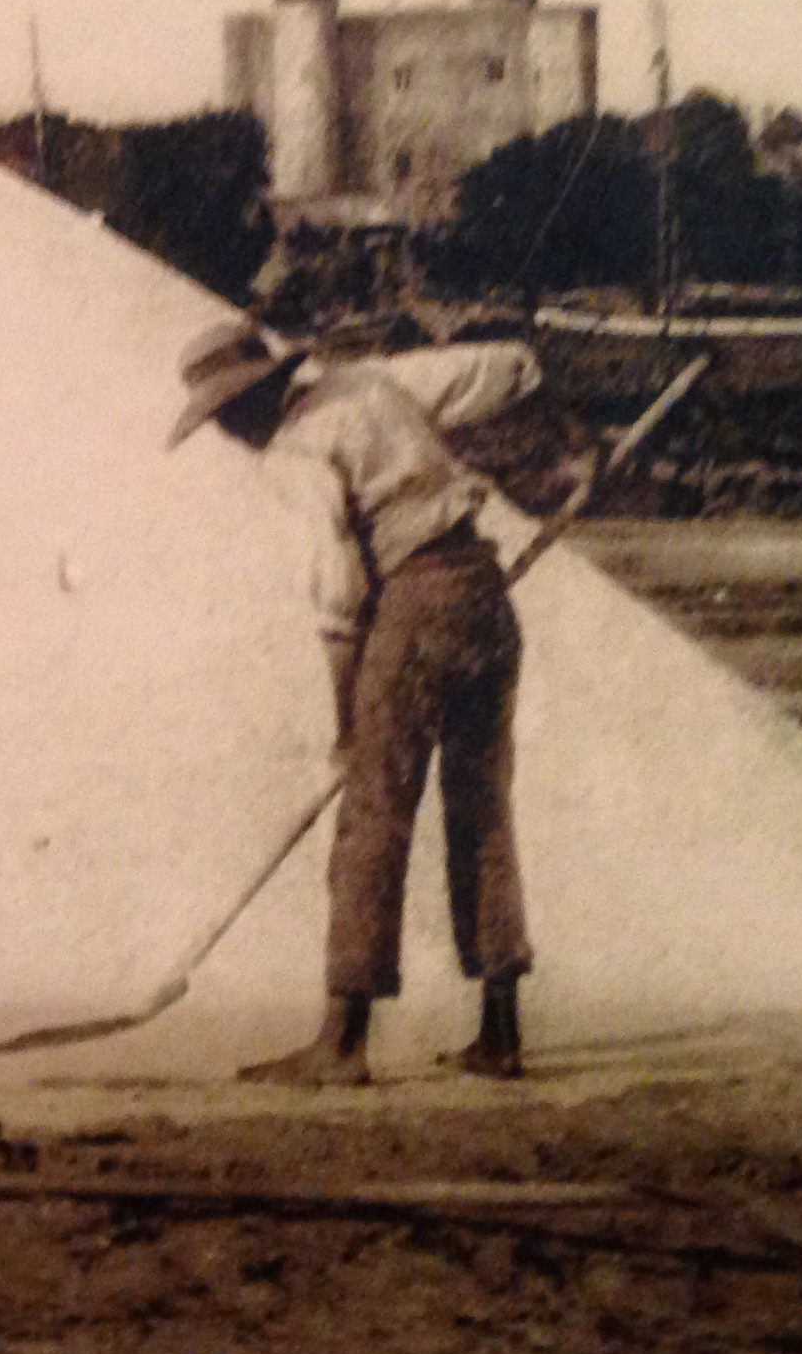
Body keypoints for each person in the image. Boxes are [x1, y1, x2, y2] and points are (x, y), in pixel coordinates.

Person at [167, 319, 551, 1086]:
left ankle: (341, 1045)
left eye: (227, 415)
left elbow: (341, 602)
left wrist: (348, 723)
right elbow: (508, 367)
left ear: (253, 403)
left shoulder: (296, 455)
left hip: (415, 603)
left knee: (373, 816)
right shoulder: (371, 382)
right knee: (482, 808)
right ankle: (501, 1034)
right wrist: (569, 452)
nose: (228, 433)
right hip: (482, 589)